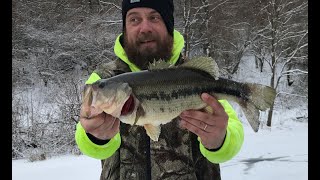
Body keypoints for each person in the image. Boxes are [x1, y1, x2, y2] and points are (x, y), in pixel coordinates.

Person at [75, 0, 244, 179]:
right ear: (125, 28)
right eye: (134, 19)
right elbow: (85, 139)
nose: (144, 28)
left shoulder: (193, 75)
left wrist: (219, 140)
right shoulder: (104, 78)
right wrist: (96, 137)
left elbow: (233, 132)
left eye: (154, 17)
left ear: (168, 25)